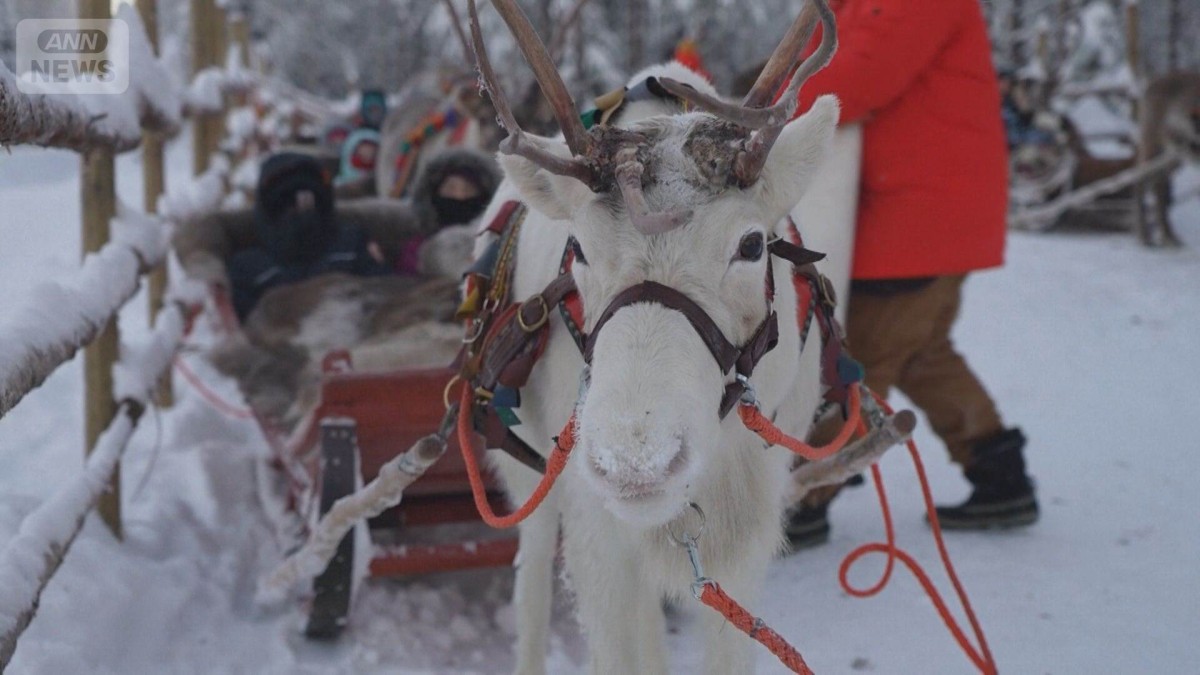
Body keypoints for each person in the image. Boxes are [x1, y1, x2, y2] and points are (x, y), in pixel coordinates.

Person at [783, 0, 1038, 547]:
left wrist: (770, 108)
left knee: (855, 360)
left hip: (915, 219)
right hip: (915, 215)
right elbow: (817, 61)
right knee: (921, 352)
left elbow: (851, 81)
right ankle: (999, 476)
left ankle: (804, 499)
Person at [226, 152, 389, 320]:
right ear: (269, 212)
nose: (298, 212)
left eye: (308, 202)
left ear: (323, 205)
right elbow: (245, 326)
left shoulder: (352, 244)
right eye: (286, 205)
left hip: (360, 336)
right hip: (282, 341)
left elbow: (383, 294)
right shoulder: (248, 267)